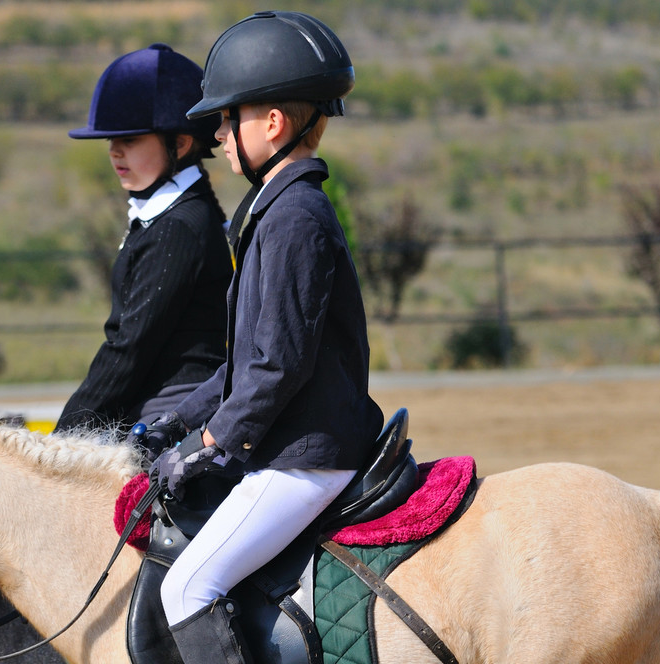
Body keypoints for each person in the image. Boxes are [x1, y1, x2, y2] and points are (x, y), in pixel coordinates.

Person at [143, 12, 386, 663]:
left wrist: (213, 444)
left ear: (272, 124)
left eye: (228, 120)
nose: (217, 135)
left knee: (189, 589)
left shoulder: (294, 218)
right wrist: (170, 426)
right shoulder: (273, 211)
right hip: (285, 445)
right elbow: (240, 365)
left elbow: (276, 366)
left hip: (305, 455)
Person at [53, 44, 233, 437]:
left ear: (181, 144)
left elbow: (129, 347)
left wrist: (65, 436)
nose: (115, 151)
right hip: (149, 400)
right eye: (111, 141)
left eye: (131, 139)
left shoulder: (178, 228)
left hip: (175, 408)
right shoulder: (166, 216)